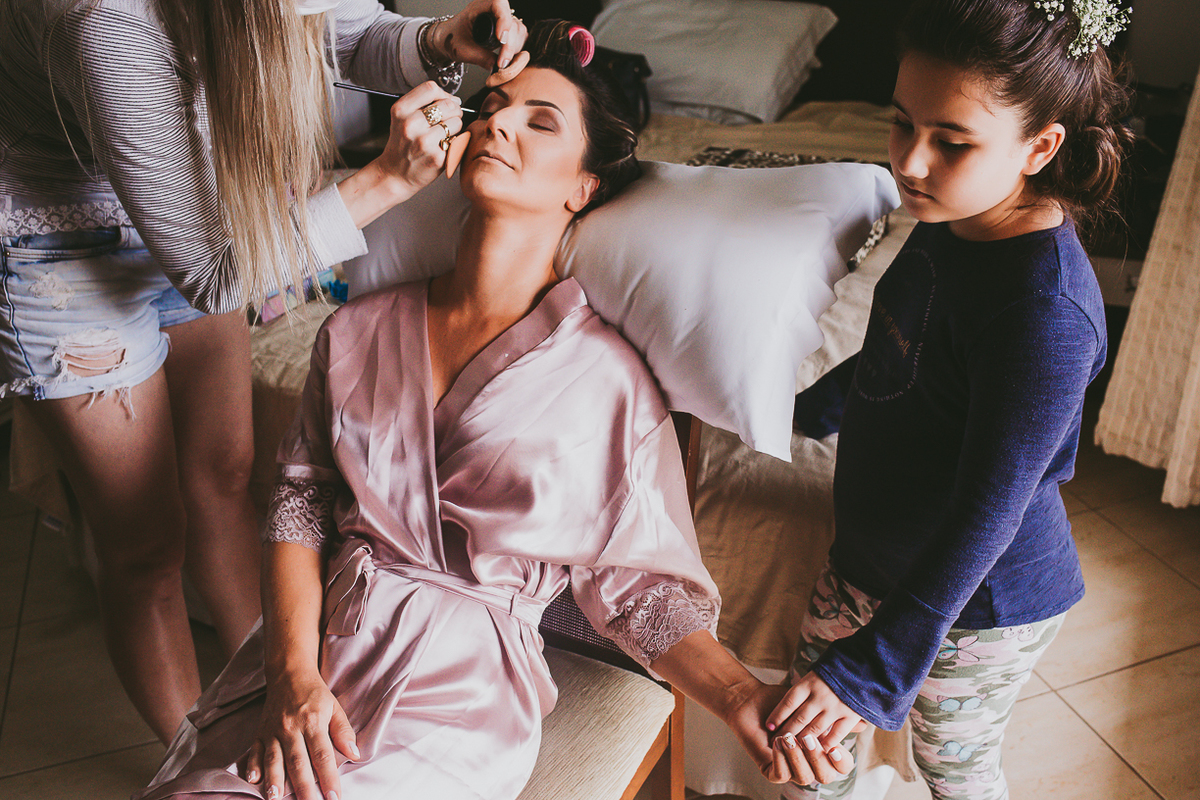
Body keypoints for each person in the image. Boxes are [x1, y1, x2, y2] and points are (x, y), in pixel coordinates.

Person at [135, 21, 849, 800]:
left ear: (583, 187)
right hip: (316, 655)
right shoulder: (356, 330)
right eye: (492, 106)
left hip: (462, 691)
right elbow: (301, 506)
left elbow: (637, 590)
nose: (496, 122)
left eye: (540, 122)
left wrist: (744, 697)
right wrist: (290, 676)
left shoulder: (604, 379)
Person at [0, 0, 527, 743]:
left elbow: (347, 33)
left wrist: (440, 37)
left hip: (195, 217)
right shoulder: (105, 21)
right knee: (145, 542)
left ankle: (268, 705)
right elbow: (215, 277)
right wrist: (384, 180)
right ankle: (194, 761)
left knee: (223, 475)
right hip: (63, 254)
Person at [763, 0, 1134, 796]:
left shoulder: (1046, 314)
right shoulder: (956, 215)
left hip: (979, 607)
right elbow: (905, 340)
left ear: (1039, 147)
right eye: (903, 124)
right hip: (865, 563)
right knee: (802, 754)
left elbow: (987, 515)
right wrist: (805, 413)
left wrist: (877, 669)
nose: (912, 163)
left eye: (953, 142)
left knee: (952, 773)